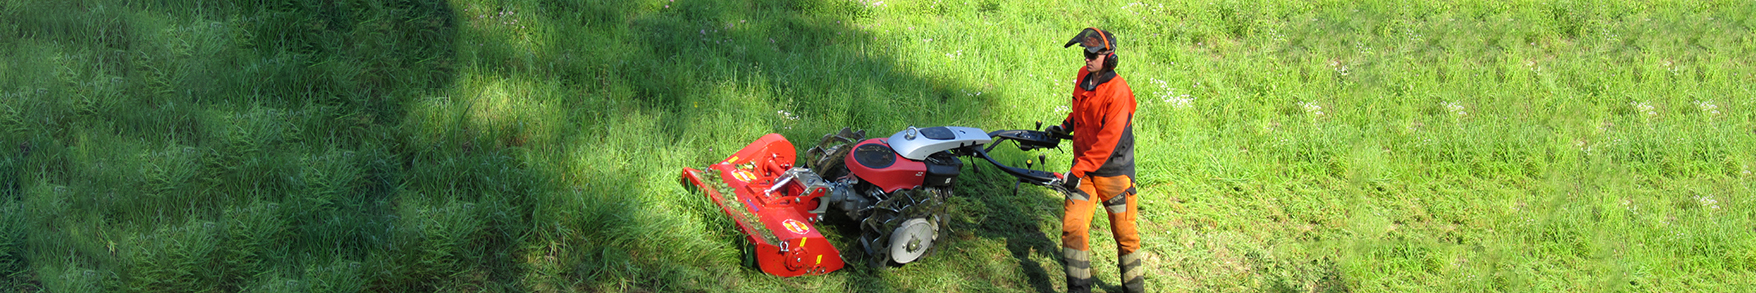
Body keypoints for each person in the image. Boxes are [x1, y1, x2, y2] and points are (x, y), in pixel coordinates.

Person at [1046, 27, 1143, 293]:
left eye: (1092, 53)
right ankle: (1078, 290)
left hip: (1114, 174)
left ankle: (1134, 289)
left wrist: (1078, 170)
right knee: (1073, 229)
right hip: (1085, 173)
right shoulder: (1083, 77)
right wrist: (1064, 127)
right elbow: (1080, 109)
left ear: (1109, 57)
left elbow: (1107, 141)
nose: (1086, 58)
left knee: (1125, 237)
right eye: (1084, 52)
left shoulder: (1119, 92)